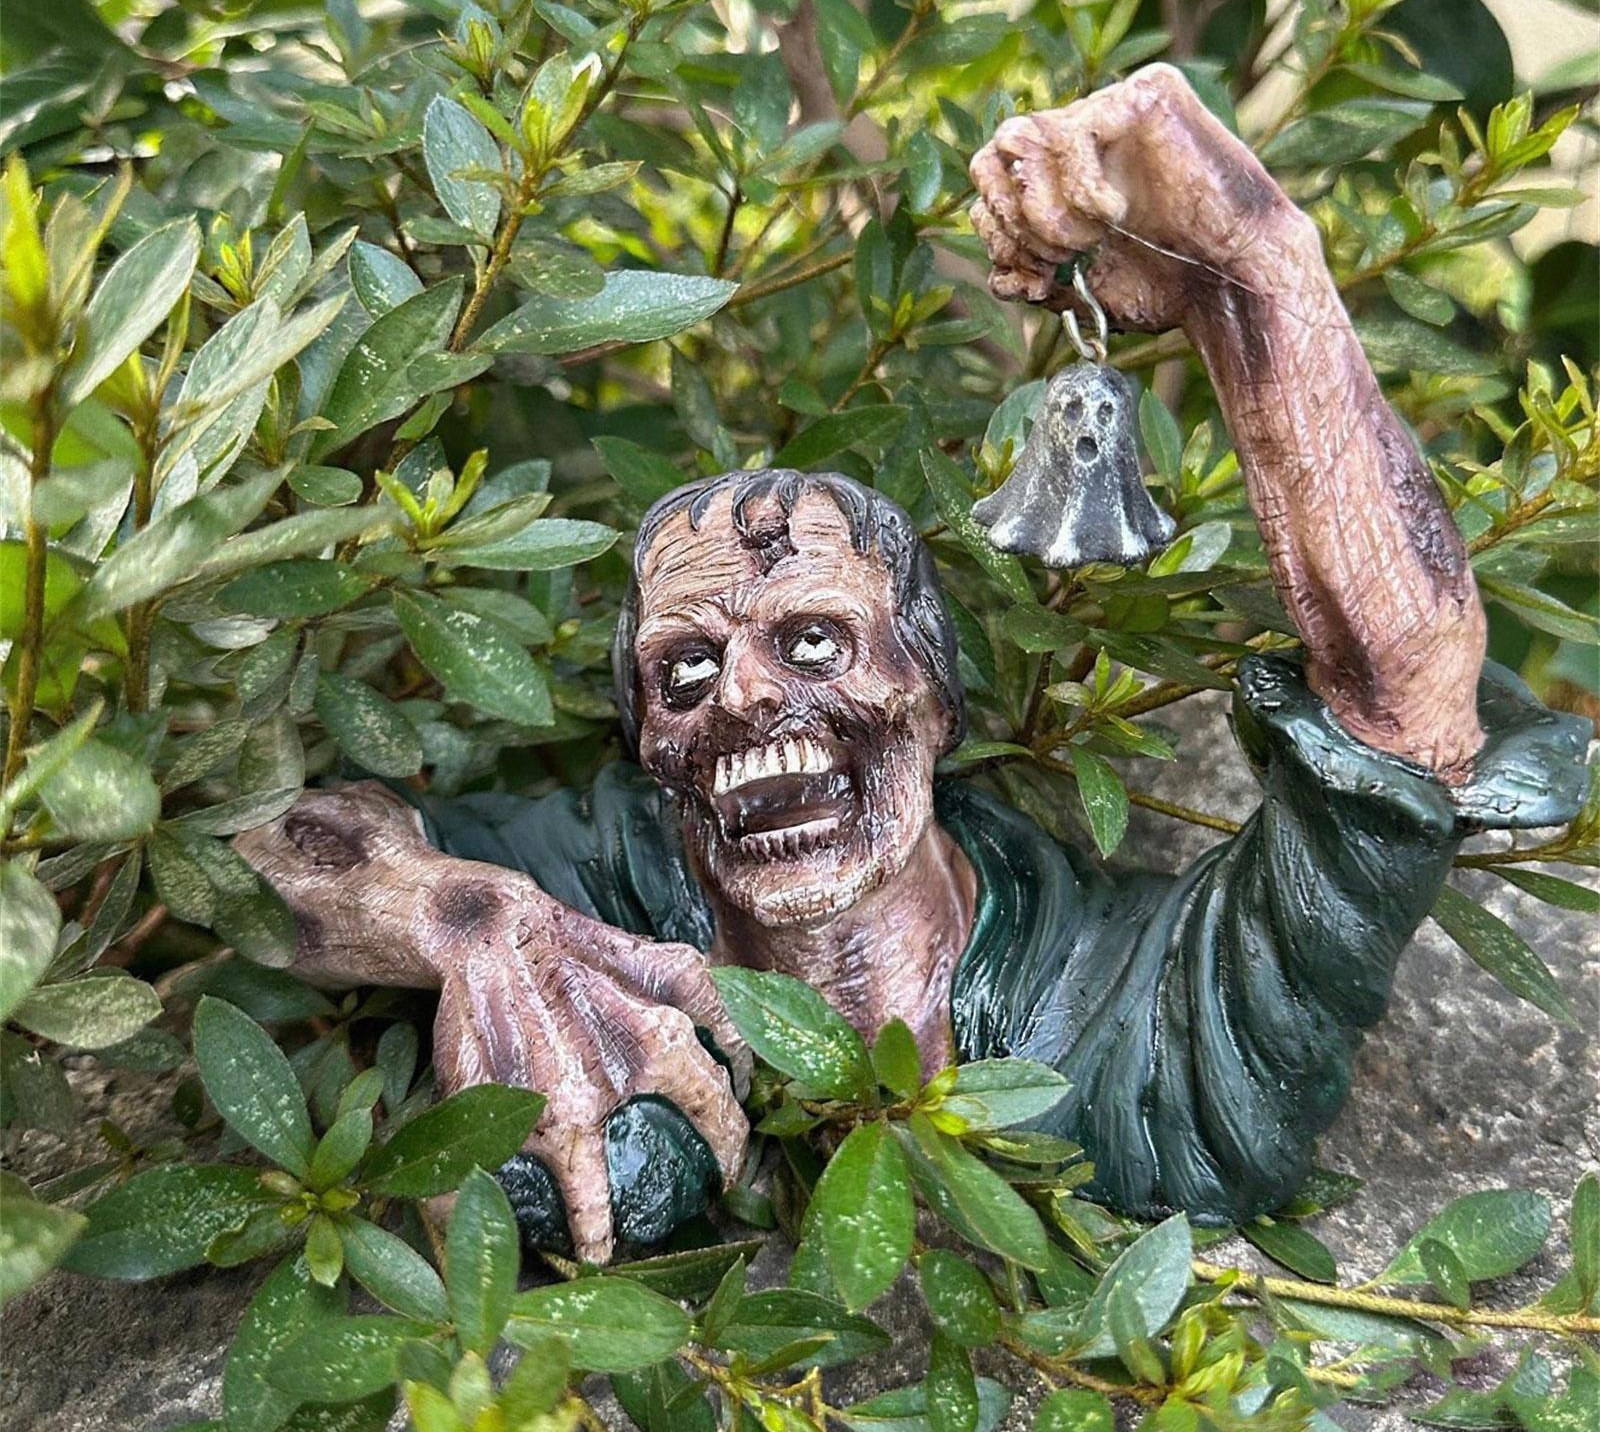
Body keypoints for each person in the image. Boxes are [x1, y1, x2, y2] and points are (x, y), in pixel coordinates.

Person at [238, 67, 1590, 1263]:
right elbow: (260, 854)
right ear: (646, 735)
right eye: (686, 672)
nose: (747, 695)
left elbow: (1410, 714)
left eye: (814, 641)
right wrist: (471, 922)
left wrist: (1257, 276)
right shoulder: (612, 875)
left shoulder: (1128, 1022)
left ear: (935, 698)